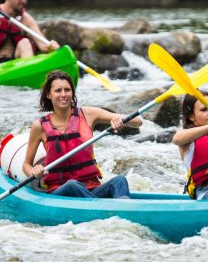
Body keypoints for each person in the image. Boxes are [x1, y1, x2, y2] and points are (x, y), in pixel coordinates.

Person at [23, 70, 142, 199]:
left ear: (72, 93)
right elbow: (26, 165)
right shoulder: (40, 126)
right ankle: (102, 209)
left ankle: (124, 210)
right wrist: (33, 171)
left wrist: (121, 121)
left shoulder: (88, 114)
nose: (63, 94)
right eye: (58, 91)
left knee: (119, 181)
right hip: (60, 191)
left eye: (67, 90)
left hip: (91, 189)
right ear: (48, 94)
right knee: (72, 185)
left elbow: (137, 122)